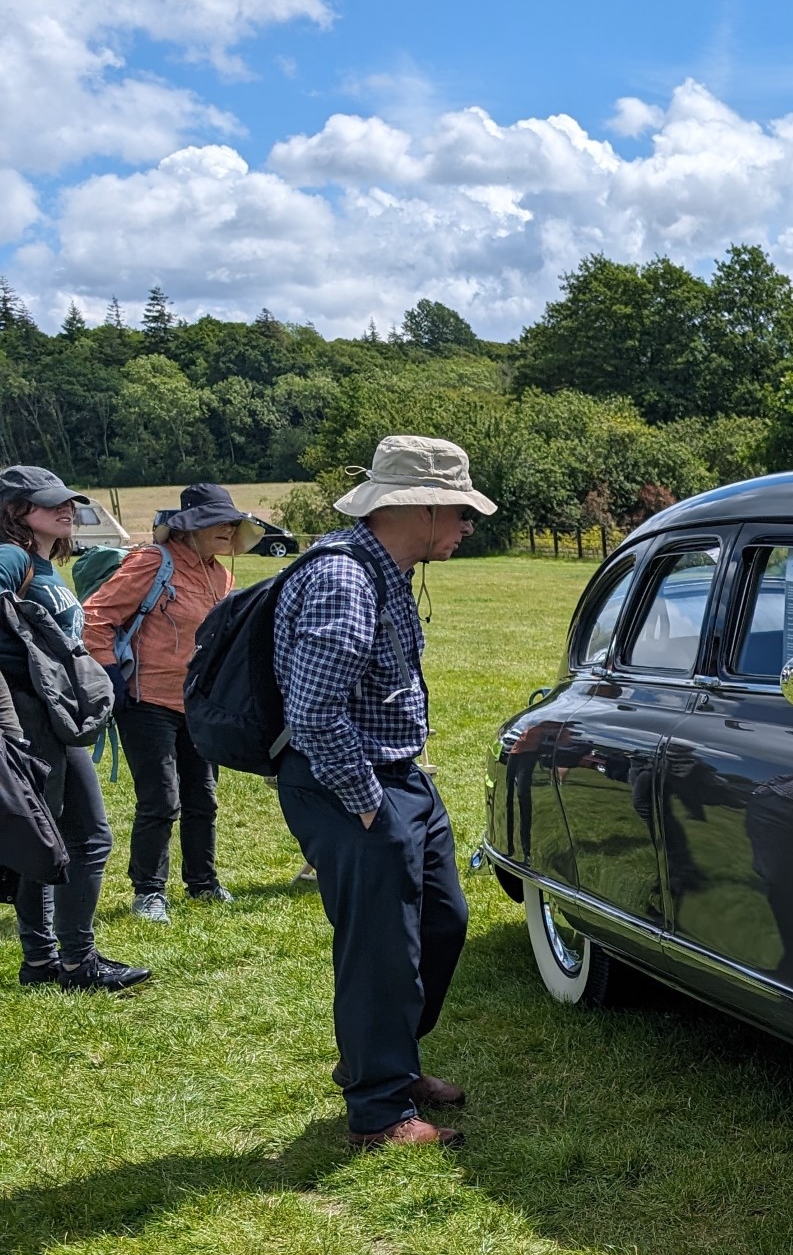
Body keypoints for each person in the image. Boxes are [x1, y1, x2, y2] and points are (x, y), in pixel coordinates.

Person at [271, 435, 490, 1148]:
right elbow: (312, 713)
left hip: (395, 777)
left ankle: (390, 1064)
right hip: (351, 785)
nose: (466, 527)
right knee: (380, 950)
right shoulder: (344, 579)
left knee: (442, 923)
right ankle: (380, 1113)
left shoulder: (383, 569)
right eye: (460, 512)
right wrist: (368, 801)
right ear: (421, 509)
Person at [0, 464, 149, 991]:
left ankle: (42, 961)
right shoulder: (12, 556)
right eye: (50, 501)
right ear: (16, 511)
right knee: (87, 837)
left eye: (69, 500)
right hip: (32, 716)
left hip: (47, 715)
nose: (68, 508)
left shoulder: (38, 562)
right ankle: (76, 963)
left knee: (43, 838)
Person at [83, 483, 253, 921]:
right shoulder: (151, 562)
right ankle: (149, 892)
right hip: (145, 702)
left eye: (232, 522)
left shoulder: (222, 574)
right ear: (191, 528)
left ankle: (203, 884)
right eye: (219, 521)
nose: (229, 529)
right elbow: (96, 616)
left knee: (203, 799)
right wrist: (107, 674)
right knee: (161, 800)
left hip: (198, 706)